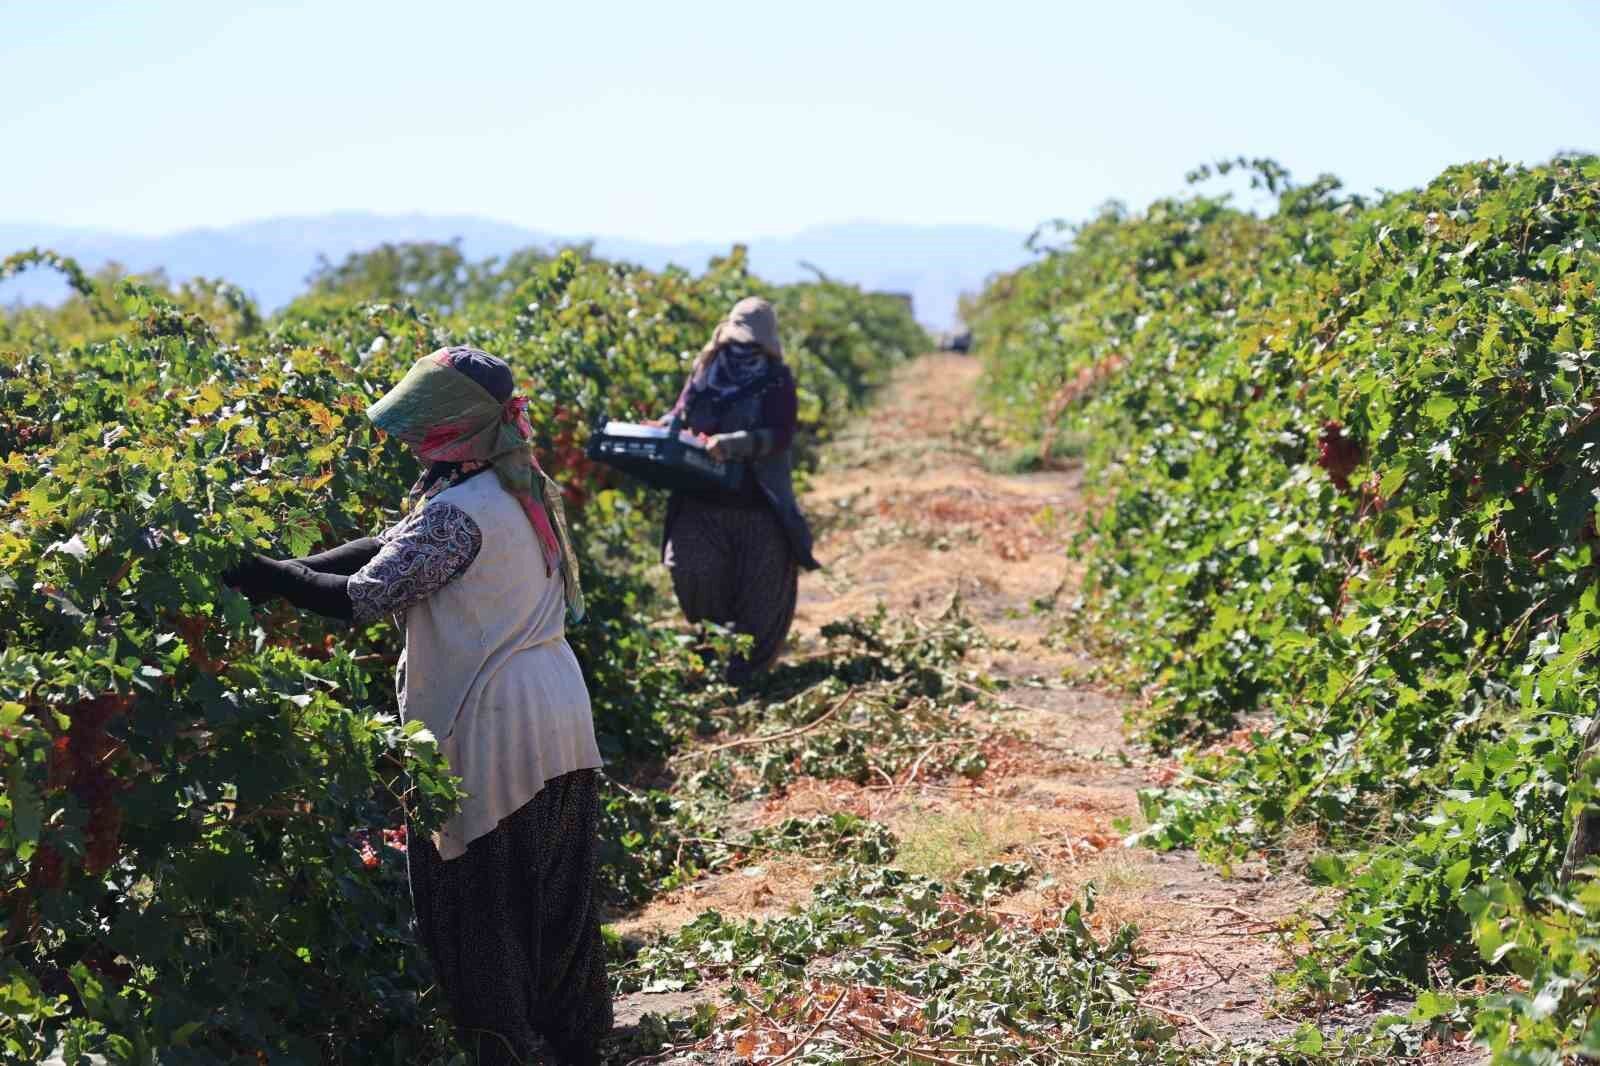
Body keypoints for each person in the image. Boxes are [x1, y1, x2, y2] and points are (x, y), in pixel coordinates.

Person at [222, 347, 610, 1066]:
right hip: (556, 710)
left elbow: (363, 596)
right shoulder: (513, 482)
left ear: (452, 428)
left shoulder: (460, 514)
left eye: (422, 426)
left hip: (495, 725)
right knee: (556, 903)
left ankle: (506, 1053)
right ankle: (576, 1048)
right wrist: (286, 571)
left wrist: (259, 572)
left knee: (480, 908)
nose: (410, 441)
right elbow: (388, 547)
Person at [658, 297, 821, 683]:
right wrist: (663, 426)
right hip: (701, 500)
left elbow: (781, 435)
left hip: (757, 504)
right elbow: (681, 412)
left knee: (760, 596)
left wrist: (736, 444)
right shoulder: (706, 370)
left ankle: (747, 676)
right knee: (692, 570)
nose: (739, 349)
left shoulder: (776, 379)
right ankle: (715, 651)